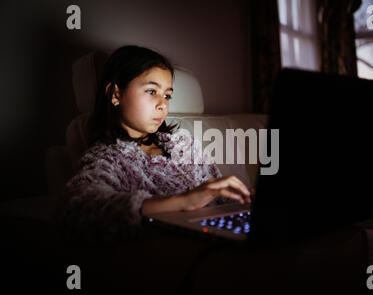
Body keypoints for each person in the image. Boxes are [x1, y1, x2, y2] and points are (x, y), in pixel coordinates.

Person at [61, 45, 251, 243]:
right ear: (116, 94)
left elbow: (220, 197)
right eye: (152, 91)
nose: (163, 104)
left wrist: (244, 198)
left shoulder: (184, 145)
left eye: (167, 95)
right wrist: (184, 201)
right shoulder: (109, 158)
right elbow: (78, 207)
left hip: (217, 236)